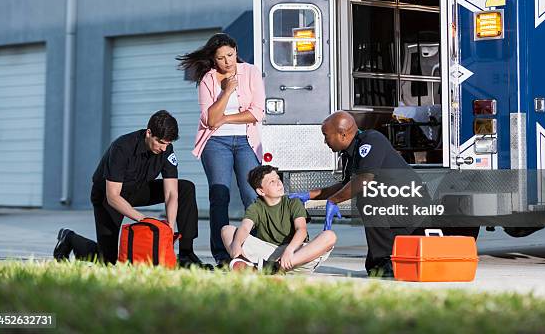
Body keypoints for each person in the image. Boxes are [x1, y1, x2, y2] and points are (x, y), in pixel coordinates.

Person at [53, 110, 212, 269]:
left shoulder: (166, 150)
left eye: (168, 144)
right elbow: (113, 196)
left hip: (138, 190)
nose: (164, 148)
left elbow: (171, 193)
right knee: (108, 260)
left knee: (185, 187)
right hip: (108, 197)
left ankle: (186, 254)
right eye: (161, 142)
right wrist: (144, 220)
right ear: (149, 133)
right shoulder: (122, 147)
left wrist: (169, 229)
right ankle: (70, 239)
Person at [289, 111, 423, 277]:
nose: (325, 141)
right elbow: (347, 184)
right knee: (374, 268)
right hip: (393, 205)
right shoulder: (349, 153)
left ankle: (388, 260)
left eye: (326, 136)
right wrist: (310, 195)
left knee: (369, 198)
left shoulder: (372, 140)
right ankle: (384, 259)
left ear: (343, 134)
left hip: (410, 205)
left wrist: (333, 201)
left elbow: (364, 179)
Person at [177, 33, 265, 266]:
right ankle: (223, 256)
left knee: (252, 196)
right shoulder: (208, 79)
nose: (227, 61)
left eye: (230, 55)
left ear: (236, 51)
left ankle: (254, 251)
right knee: (219, 197)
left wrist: (225, 119)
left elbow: (256, 113)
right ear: (213, 60)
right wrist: (226, 91)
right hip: (216, 144)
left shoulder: (252, 72)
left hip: (246, 141)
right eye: (221, 58)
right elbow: (209, 121)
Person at [221, 165, 336, 273]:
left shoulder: (293, 202)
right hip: (268, 255)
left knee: (329, 236)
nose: (279, 183)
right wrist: (236, 245)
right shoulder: (256, 207)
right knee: (227, 230)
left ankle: (275, 268)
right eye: (272, 181)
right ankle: (247, 264)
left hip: (296, 256)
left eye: (278, 178)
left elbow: (301, 229)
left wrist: (289, 250)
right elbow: (245, 228)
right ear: (261, 191)